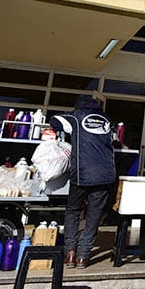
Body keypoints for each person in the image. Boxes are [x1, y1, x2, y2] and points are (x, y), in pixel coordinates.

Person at [50, 92, 117, 269]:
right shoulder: (107, 120)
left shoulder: (76, 117)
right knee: (94, 215)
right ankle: (83, 257)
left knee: (73, 211)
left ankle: (70, 252)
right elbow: (114, 139)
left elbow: (55, 120)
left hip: (82, 174)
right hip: (105, 175)